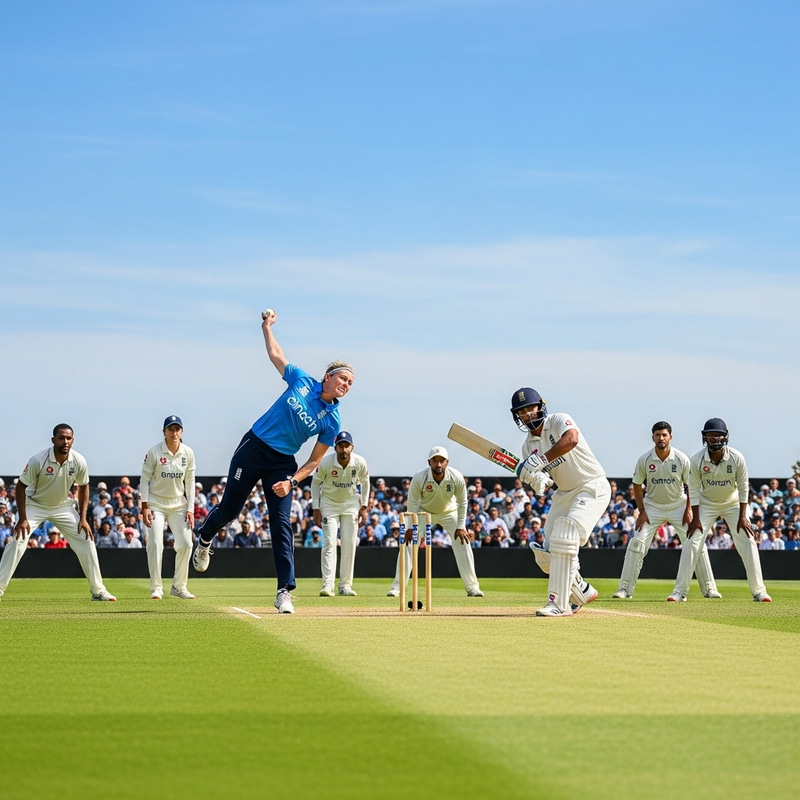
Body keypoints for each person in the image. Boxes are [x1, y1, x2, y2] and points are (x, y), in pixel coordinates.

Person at [192, 310, 354, 614]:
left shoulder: (332, 420)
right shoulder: (302, 380)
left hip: (282, 463)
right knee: (230, 510)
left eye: (350, 383)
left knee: (281, 524)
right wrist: (266, 327)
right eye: (343, 379)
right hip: (253, 447)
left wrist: (292, 481)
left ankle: (284, 591)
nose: (345, 385)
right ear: (328, 377)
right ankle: (203, 539)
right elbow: (276, 354)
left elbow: (315, 461)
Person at [512, 387, 609, 617]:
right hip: (564, 493)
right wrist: (536, 481)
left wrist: (542, 460)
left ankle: (558, 604)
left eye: (530, 408)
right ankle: (581, 591)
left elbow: (571, 439)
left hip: (591, 485)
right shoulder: (527, 446)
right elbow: (543, 478)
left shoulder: (558, 420)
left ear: (540, 406)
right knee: (547, 554)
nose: (527, 415)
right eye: (521, 412)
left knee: (566, 534)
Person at [0, 424, 115, 602]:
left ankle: (98, 591)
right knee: (17, 541)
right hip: (35, 504)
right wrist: (22, 519)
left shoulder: (79, 461)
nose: (65, 441)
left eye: (69, 438)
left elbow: (83, 487)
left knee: (86, 540)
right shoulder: (38, 460)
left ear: (73, 440)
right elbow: (21, 487)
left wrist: (83, 519)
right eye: (61, 438)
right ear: (53, 440)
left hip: (62, 506)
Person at [613, 421, 721, 599]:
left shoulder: (681, 458)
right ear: (653, 437)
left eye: (664, 435)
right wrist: (642, 511)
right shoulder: (645, 459)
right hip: (652, 506)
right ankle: (625, 589)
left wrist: (689, 510)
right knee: (637, 543)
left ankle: (709, 588)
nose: (661, 438)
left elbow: (692, 485)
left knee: (696, 541)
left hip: (678, 505)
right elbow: (637, 484)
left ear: (670, 437)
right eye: (657, 435)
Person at [668, 418, 771, 602]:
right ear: (704, 437)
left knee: (748, 541)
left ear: (725, 437)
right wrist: (696, 518)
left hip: (732, 503)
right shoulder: (697, 460)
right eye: (711, 435)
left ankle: (759, 591)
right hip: (706, 503)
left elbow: (743, 487)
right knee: (691, 542)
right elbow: (693, 489)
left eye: (718, 435)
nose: (715, 439)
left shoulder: (736, 457)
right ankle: (679, 591)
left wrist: (742, 516)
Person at [387, 446, 484, 598]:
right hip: (423, 512)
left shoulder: (456, 476)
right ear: (429, 462)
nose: (438, 464)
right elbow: (412, 502)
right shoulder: (420, 477)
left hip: (449, 512)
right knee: (407, 544)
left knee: (463, 542)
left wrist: (460, 526)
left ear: (447, 462)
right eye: (435, 461)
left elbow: (462, 502)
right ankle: (397, 588)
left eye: (442, 461)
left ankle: (473, 587)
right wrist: (411, 527)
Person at [140, 416, 197, 601]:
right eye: (170, 430)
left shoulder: (188, 453)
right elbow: (144, 480)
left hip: (178, 503)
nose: (174, 433)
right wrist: (145, 505)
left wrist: (190, 508)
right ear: (164, 431)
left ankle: (179, 586)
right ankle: (156, 588)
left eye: (177, 430)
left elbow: (190, 481)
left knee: (187, 544)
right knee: (156, 543)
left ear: (182, 432)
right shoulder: (154, 452)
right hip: (156, 502)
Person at [310, 430, 369, 597]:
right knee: (329, 543)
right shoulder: (326, 462)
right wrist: (316, 508)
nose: (343, 450)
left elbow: (365, 483)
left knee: (349, 544)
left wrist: (364, 507)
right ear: (335, 448)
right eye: (340, 446)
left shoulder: (359, 462)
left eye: (346, 446)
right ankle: (328, 585)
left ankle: (345, 586)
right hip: (329, 504)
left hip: (351, 504)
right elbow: (315, 484)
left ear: (352, 447)